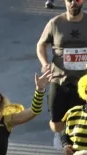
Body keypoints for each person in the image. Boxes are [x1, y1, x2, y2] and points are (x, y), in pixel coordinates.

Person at [38, 0, 87, 140]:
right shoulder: (55, 23)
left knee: (82, 120)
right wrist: (44, 63)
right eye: (69, 0)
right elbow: (41, 45)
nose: (73, 3)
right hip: (59, 79)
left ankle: (76, 149)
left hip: (84, 83)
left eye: (77, 0)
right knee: (56, 123)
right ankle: (62, 136)